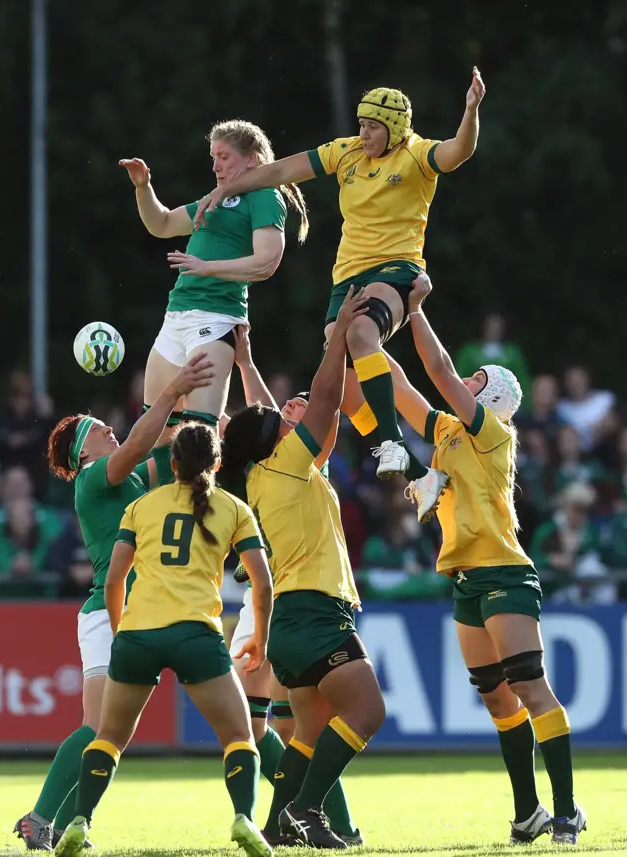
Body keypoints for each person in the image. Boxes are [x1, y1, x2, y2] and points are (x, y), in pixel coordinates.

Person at [194, 69, 485, 500]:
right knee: (345, 386)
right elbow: (284, 170)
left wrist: (471, 109)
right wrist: (224, 189)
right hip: (348, 275)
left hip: (396, 268)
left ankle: (391, 443)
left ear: (395, 129)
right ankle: (421, 474)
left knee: (362, 332)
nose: (363, 134)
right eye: (361, 125)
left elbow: (459, 151)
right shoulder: (345, 153)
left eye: (372, 128)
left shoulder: (416, 154)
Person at [391, 271, 586, 845]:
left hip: (504, 573)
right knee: (499, 699)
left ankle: (567, 811)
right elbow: (404, 387)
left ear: (496, 398)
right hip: (467, 579)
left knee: (529, 686)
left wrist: (414, 309)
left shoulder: (491, 433)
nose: (466, 382)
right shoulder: (454, 430)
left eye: (479, 380)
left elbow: (439, 373)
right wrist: (365, 342)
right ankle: (529, 814)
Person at [13, 354, 213, 851]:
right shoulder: (92, 477)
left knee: (109, 734)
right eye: (100, 428)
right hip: (108, 611)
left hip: (135, 609)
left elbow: (165, 443)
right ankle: (41, 820)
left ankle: (52, 824)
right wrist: (169, 395)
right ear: (85, 451)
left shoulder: (125, 477)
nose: (110, 429)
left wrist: (186, 398)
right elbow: (146, 440)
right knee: (99, 728)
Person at [55, 423, 274, 857]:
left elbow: (115, 579)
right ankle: (244, 818)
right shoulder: (233, 508)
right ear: (217, 463)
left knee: (108, 738)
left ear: (171, 464)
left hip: (139, 634)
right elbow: (263, 585)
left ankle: (79, 821)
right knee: (239, 736)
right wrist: (260, 641)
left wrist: (120, 632)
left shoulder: (141, 506)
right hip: (196, 633)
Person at [221, 288, 385, 849]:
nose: (285, 412)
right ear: (277, 441)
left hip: (292, 619)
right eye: (280, 419)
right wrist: (339, 331)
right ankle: (308, 810)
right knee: (367, 710)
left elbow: (271, 418)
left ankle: (275, 829)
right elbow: (325, 397)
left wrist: (246, 364)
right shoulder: (289, 465)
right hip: (313, 612)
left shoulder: (268, 471)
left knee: (308, 735)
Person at [119, 119, 308, 430]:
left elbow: (266, 262)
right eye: (213, 158)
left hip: (216, 317)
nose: (215, 166)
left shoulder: (264, 195)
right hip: (176, 316)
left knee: (198, 435)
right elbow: (162, 224)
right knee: (158, 435)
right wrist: (143, 187)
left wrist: (208, 268)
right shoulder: (218, 196)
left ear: (252, 158)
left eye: (223, 157)